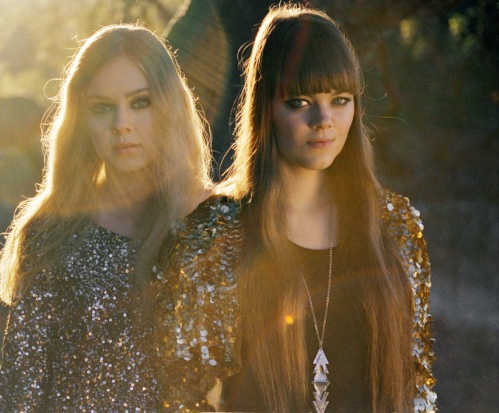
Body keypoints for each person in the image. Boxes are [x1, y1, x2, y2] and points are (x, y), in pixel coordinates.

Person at [155, 5, 436, 412]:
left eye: (340, 100)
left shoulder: (395, 227)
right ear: (266, 107)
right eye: (301, 101)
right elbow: (184, 394)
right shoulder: (213, 236)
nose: (324, 120)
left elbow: (418, 383)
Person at [0, 23, 212, 412]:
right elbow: (19, 392)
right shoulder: (52, 231)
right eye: (102, 107)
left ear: (170, 105)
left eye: (140, 101)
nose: (121, 123)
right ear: (81, 119)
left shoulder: (215, 222)